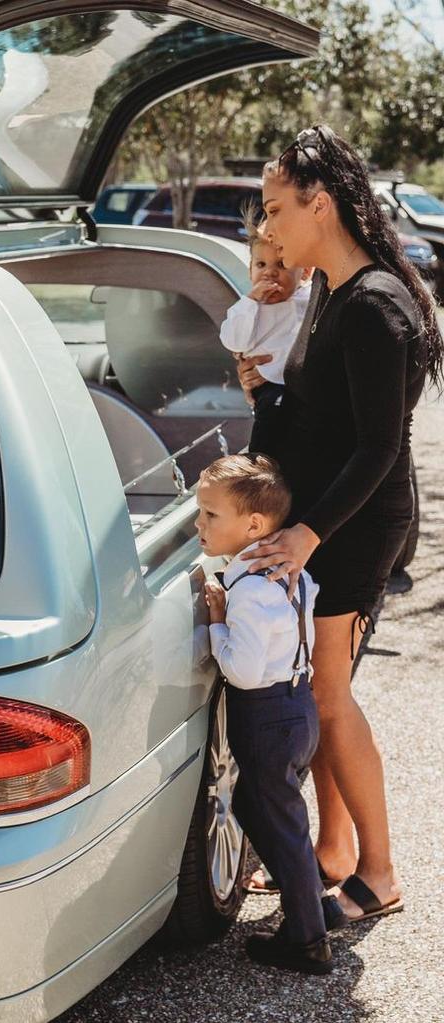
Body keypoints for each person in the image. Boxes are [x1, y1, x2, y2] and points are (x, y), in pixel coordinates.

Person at [236, 124, 443, 923]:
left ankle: (380, 872)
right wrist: (261, 395)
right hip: (329, 518)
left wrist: (307, 533)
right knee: (327, 692)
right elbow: (321, 419)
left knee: (327, 697)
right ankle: (333, 852)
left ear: (319, 204)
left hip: (356, 527)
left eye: (276, 208)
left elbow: (380, 446)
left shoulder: (375, 305)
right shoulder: (329, 291)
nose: (268, 228)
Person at [199, 453, 345, 974]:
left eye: (211, 515)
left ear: (254, 525)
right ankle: (312, 904)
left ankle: (307, 941)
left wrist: (217, 620)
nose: (199, 523)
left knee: (278, 821)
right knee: (266, 811)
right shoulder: (287, 570)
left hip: (265, 716)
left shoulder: (251, 591)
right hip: (297, 708)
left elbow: (241, 669)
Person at [219, 205, 313, 452]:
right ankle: (259, 461)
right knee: (270, 420)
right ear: (250, 271)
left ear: (304, 273)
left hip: (297, 386)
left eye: (281, 265)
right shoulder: (248, 308)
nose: (270, 272)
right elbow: (232, 341)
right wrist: (250, 301)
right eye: (260, 265)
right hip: (268, 385)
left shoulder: (310, 299)